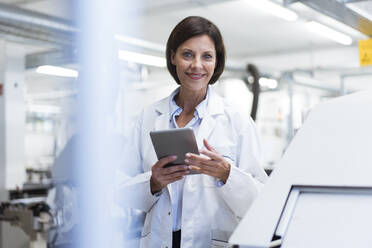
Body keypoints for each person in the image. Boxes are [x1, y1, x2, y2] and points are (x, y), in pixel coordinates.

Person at [118, 16, 268, 248]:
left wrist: (227, 174)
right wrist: (153, 182)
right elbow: (120, 188)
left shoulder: (236, 121)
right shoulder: (148, 118)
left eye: (207, 56)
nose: (197, 65)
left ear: (216, 63)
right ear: (173, 57)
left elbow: (263, 202)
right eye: (187, 54)